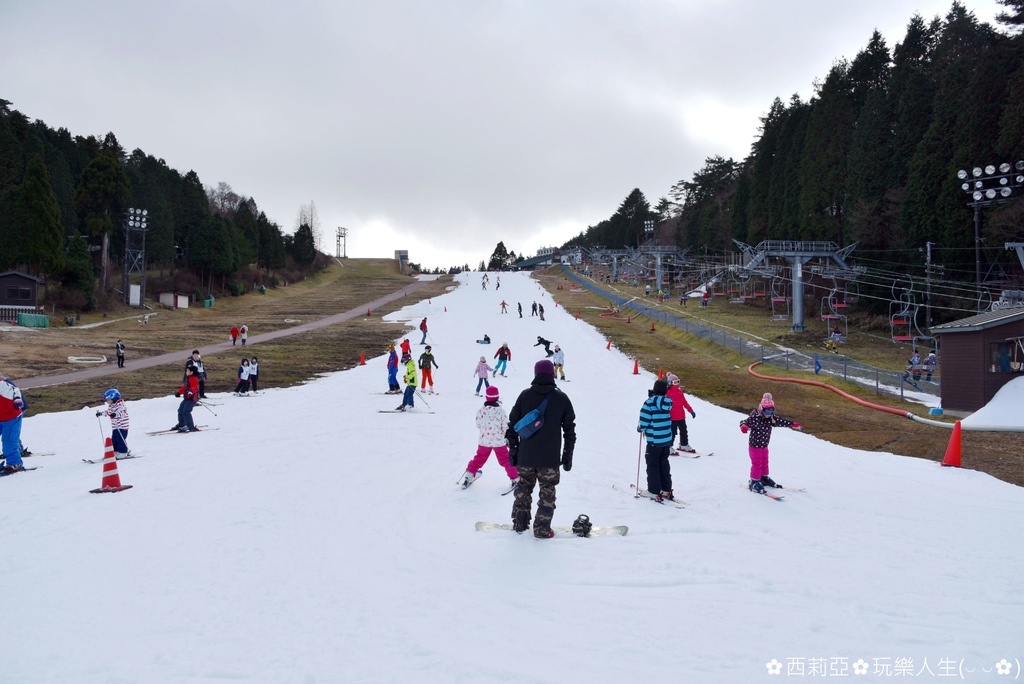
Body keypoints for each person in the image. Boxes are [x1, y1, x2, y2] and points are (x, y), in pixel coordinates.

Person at [505, 360, 576, 538]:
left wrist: (513, 452)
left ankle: (519, 523)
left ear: (535, 374)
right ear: (552, 374)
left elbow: (512, 426)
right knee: (547, 492)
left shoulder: (524, 395)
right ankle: (542, 529)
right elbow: (569, 430)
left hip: (525, 457)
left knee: (523, 488)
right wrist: (568, 455)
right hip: (549, 460)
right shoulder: (561, 398)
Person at [738, 393, 802, 493]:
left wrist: (792, 424)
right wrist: (744, 427)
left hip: (764, 446)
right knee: (757, 464)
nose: (770, 413)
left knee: (764, 462)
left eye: (772, 411)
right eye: (768, 411)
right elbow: (744, 422)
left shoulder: (770, 419)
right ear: (762, 409)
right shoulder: (755, 418)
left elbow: (781, 421)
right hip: (755, 446)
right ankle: (754, 482)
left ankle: (763, 478)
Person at [460, 385, 518, 489]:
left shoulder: (481, 410)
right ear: (497, 397)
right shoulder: (500, 411)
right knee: (505, 459)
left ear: (486, 397)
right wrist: (502, 434)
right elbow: (505, 425)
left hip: (484, 441)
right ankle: (515, 478)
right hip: (498, 441)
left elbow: (478, 424)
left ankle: (469, 475)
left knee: (479, 458)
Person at [638, 379, 675, 501]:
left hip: (654, 440)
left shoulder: (649, 403)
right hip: (666, 439)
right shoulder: (668, 402)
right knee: (663, 463)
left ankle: (654, 490)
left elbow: (644, 420)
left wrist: (640, 428)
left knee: (653, 464)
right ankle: (666, 489)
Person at [0, 373, 27, 475]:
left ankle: (15, 464)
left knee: (8, 441)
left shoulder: (2, 385)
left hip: (11, 417)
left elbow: (15, 390)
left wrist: (17, 400)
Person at [96, 388, 131, 459]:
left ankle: (123, 452)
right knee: (114, 440)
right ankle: (115, 451)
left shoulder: (121, 405)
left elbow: (121, 413)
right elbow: (108, 412)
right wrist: (101, 413)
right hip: (115, 426)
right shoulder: (112, 406)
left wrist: (115, 414)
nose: (107, 402)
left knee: (120, 439)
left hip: (122, 427)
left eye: (108, 400)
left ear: (113, 398)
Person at [665, 374, 696, 453]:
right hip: (672, 417)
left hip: (681, 416)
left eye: (678, 382)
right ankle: (669, 446)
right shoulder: (668, 393)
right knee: (672, 432)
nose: (677, 384)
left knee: (684, 431)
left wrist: (691, 411)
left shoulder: (679, 392)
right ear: (670, 383)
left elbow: (684, 403)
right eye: (675, 382)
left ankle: (684, 444)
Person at [173, 365, 200, 433]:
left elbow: (194, 388)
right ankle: (181, 424)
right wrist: (179, 393)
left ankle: (190, 426)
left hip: (192, 399)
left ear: (191, 372)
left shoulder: (194, 379)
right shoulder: (189, 378)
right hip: (187, 398)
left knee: (186, 412)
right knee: (180, 410)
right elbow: (184, 387)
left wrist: (190, 393)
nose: (186, 372)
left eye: (187, 371)